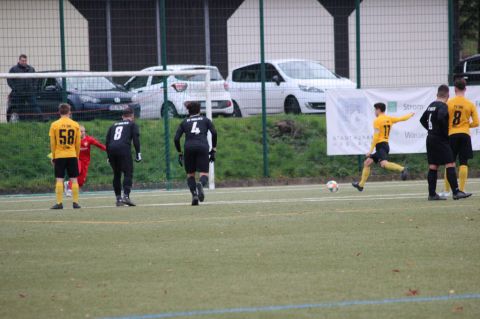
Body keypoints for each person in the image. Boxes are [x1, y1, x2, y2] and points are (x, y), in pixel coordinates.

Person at [420, 85, 472, 200]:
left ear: (437, 95)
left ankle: (432, 194)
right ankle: (456, 192)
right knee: (450, 163)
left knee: (433, 166)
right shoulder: (443, 106)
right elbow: (441, 117)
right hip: (440, 139)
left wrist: (431, 130)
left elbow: (422, 120)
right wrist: (444, 133)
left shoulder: (431, 105)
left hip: (430, 138)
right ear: (448, 96)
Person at [352, 103, 413, 191]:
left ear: (378, 109)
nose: (374, 112)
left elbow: (376, 137)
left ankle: (402, 169)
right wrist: (410, 115)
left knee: (384, 164)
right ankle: (361, 185)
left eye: (375, 110)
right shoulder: (389, 118)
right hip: (385, 145)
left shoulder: (377, 120)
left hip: (381, 146)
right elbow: (401, 119)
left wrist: (370, 150)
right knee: (367, 163)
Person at [441, 78, 479, 196]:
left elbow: (443, 118)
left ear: (455, 89)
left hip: (452, 134)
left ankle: (447, 191)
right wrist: (467, 125)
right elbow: (477, 122)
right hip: (465, 134)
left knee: (449, 162)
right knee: (463, 162)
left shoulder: (449, 103)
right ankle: (461, 190)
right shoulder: (470, 104)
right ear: (465, 89)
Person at [174, 102, 217, 206]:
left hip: (188, 148)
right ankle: (201, 184)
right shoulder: (205, 120)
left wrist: (180, 152)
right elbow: (214, 133)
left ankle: (194, 196)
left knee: (190, 174)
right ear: (199, 110)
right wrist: (213, 149)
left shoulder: (184, 122)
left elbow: (176, 139)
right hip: (202, 147)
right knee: (204, 174)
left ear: (189, 111)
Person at [106, 107, 141, 207]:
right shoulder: (132, 124)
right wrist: (138, 153)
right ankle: (126, 196)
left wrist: (108, 155)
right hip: (123, 149)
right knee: (128, 172)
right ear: (132, 116)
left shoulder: (113, 125)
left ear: (122, 116)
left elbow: (107, 141)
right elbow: (135, 139)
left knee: (116, 174)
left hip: (112, 150)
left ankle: (118, 199)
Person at [49, 103, 81, 209]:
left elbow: (53, 143)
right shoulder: (75, 124)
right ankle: (75, 203)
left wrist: (53, 156)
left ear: (59, 112)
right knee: (74, 179)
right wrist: (77, 155)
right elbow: (78, 143)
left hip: (59, 155)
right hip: (72, 154)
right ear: (69, 112)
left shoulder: (54, 125)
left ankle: (59, 203)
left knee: (59, 179)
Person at [65, 125, 106, 196]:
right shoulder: (73, 140)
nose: (82, 133)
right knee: (77, 171)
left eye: (83, 131)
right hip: (76, 159)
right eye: (80, 131)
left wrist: (108, 150)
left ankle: (68, 184)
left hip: (85, 161)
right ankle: (69, 189)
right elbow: (65, 147)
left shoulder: (89, 139)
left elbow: (99, 145)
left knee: (81, 181)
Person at [7, 54, 42, 121]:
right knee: (20, 108)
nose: (24, 62)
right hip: (19, 93)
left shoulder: (31, 69)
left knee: (35, 105)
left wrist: (33, 87)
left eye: (25, 61)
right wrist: (15, 88)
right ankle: (23, 122)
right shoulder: (13, 69)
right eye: (22, 60)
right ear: (19, 60)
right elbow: (9, 80)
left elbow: (35, 79)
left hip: (29, 92)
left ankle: (42, 119)